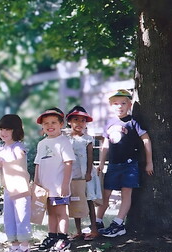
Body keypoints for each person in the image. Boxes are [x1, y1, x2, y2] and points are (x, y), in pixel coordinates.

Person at [96, 89, 154, 237]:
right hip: (113, 165)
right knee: (106, 193)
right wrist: (102, 163)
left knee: (126, 193)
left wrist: (149, 162)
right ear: (110, 105)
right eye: (116, 103)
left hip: (129, 165)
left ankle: (118, 223)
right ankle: (97, 221)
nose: (119, 106)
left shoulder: (133, 122)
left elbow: (146, 139)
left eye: (123, 103)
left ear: (129, 104)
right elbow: (105, 145)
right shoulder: (109, 123)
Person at [34, 108, 75, 252]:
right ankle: (52, 236)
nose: (49, 126)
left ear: (61, 124)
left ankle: (63, 237)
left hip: (59, 186)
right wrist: (36, 182)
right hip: (46, 187)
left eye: (53, 122)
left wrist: (65, 184)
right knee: (50, 212)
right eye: (46, 123)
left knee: (61, 212)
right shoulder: (41, 144)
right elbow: (37, 164)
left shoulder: (63, 142)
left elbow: (69, 163)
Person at [0, 114, 32, 252]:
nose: (3, 132)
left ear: (16, 130)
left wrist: (3, 159)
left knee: (21, 219)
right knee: (9, 220)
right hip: (8, 189)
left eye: (7, 129)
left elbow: (17, 156)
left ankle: (25, 250)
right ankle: (14, 247)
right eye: (1, 129)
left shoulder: (18, 146)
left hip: (21, 189)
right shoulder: (0, 148)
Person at [65, 105, 99, 241]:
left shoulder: (88, 139)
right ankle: (78, 230)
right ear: (69, 122)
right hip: (72, 175)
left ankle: (94, 229)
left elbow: (90, 157)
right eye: (76, 120)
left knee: (89, 200)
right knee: (75, 200)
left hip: (86, 174)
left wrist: (89, 173)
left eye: (82, 120)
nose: (79, 123)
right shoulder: (65, 138)